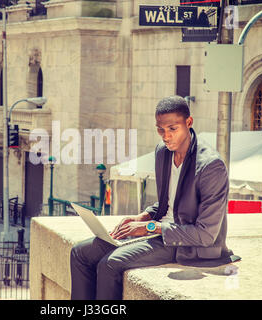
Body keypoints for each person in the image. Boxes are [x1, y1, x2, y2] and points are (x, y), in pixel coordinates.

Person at [70, 95, 239, 300]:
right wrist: (143, 217)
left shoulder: (211, 166)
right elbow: (170, 201)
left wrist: (151, 227)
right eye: (160, 129)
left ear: (189, 123)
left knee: (109, 264)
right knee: (80, 252)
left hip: (186, 246)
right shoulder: (163, 152)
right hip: (158, 231)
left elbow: (206, 234)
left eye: (172, 129)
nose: (166, 136)